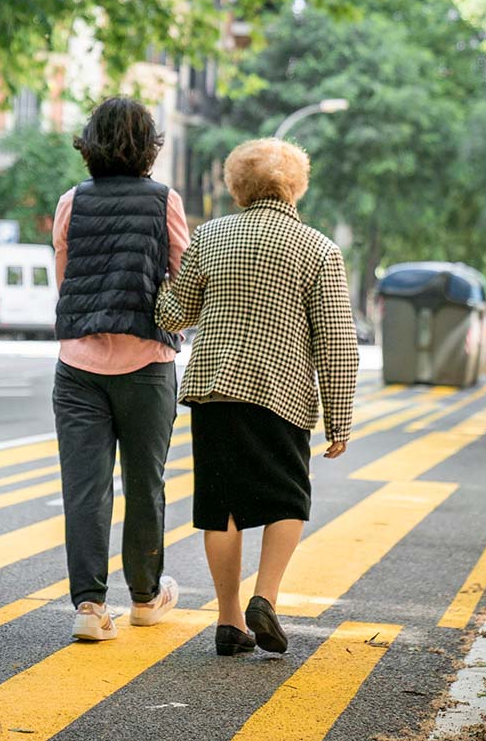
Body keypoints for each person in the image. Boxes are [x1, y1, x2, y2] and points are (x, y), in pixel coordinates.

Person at [156, 138, 359, 657]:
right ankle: (264, 597)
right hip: (282, 391)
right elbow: (336, 340)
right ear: (297, 187)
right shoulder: (319, 249)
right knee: (287, 497)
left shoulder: (211, 237)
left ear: (236, 187)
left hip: (215, 389)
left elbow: (173, 315)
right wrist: (340, 419)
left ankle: (227, 621)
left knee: (220, 506)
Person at [52, 96, 189, 642]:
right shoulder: (164, 201)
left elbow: (64, 278)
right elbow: (182, 275)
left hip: (78, 365)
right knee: (144, 482)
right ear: (149, 148)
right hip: (147, 365)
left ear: (90, 144)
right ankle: (145, 598)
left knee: (85, 489)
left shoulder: (72, 202)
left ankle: (89, 607)